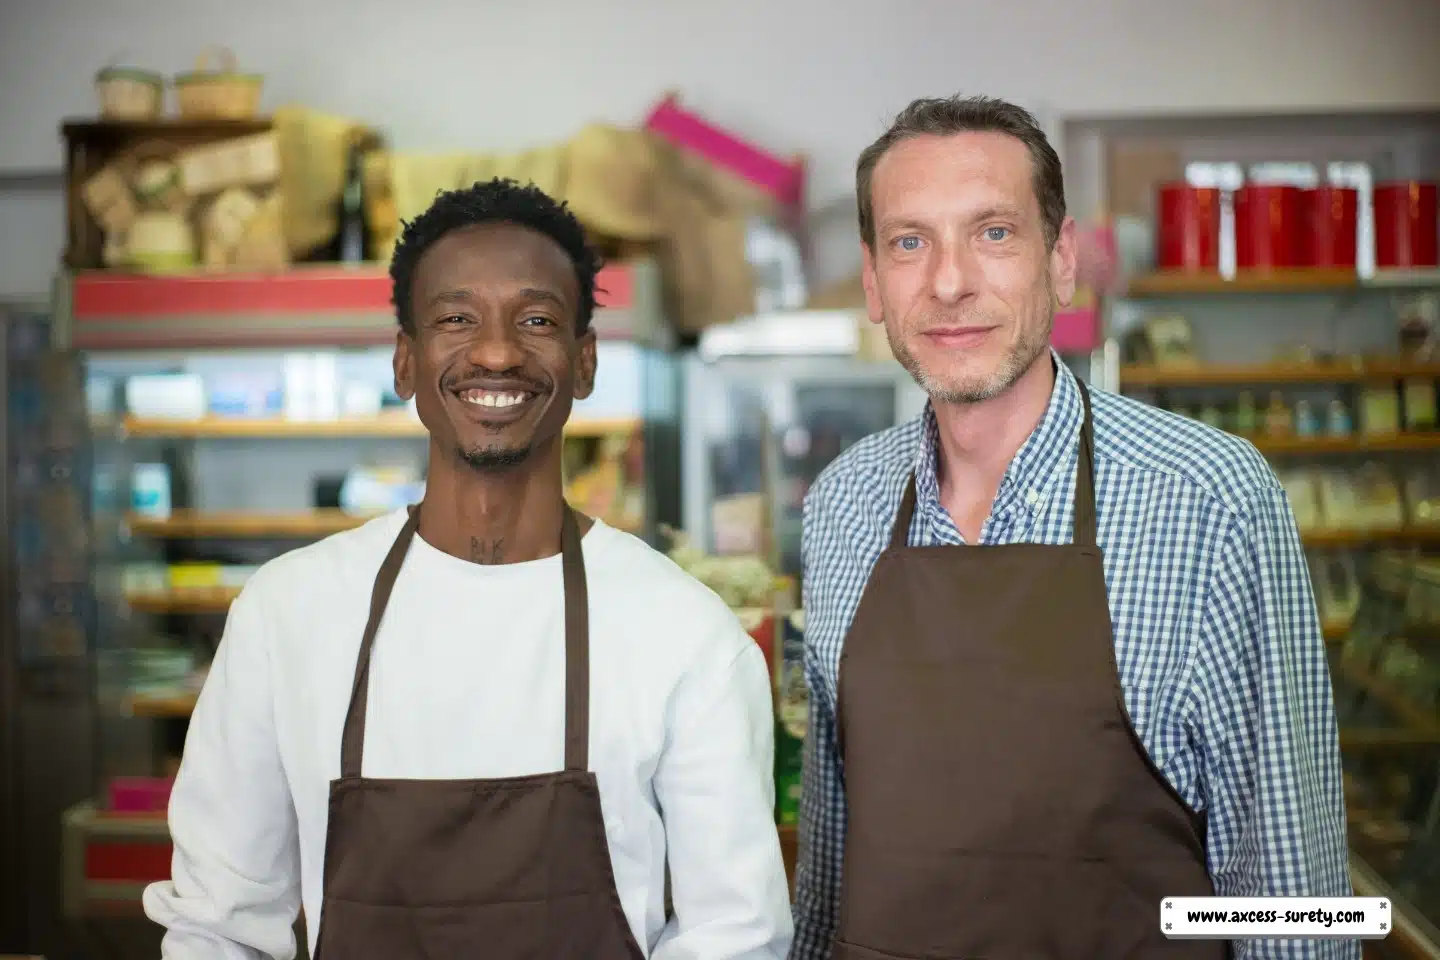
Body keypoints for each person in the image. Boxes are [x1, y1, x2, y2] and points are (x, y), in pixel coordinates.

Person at [144, 178, 793, 960]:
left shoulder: (685, 635)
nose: (496, 351)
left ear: (584, 363)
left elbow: (734, 937)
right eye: (456, 319)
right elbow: (217, 926)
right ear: (405, 361)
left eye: (537, 320)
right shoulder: (288, 616)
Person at [792, 96, 1354, 959]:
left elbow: (1292, 898)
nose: (948, 282)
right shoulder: (842, 504)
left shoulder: (1209, 497)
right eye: (910, 242)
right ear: (873, 282)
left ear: (1060, 263)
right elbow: (830, 880)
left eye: (993, 233)